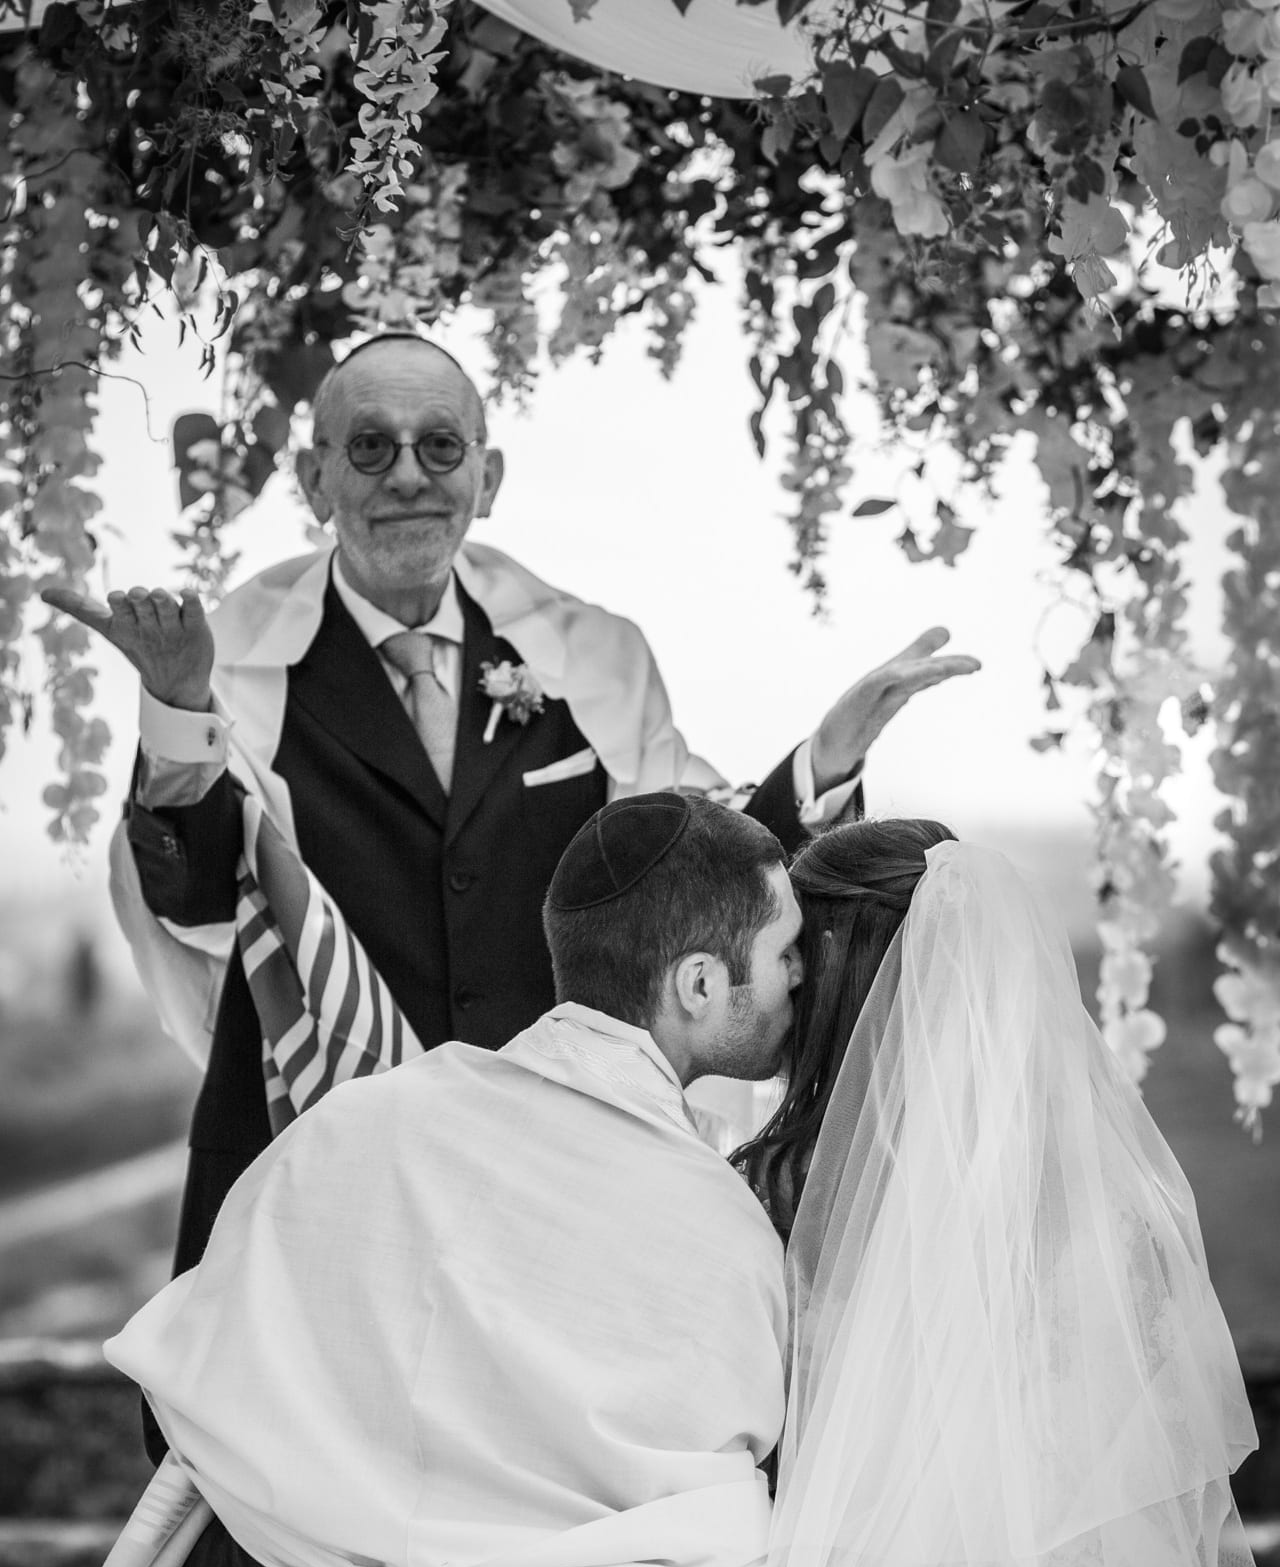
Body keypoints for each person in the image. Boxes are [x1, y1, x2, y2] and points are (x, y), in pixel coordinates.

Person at [43, 334, 979, 1322]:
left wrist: (823, 762)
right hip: (307, 1167)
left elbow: (693, 871)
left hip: (544, 1189)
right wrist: (178, 708)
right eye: (370, 447)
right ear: (314, 480)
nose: (408, 475)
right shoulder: (226, 661)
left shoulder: (583, 654)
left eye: (439, 446)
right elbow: (192, 900)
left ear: (485, 479)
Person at [56, 793, 798, 1567]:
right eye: (784, 953)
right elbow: (720, 1518)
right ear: (700, 982)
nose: (800, 977)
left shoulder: (352, 1122)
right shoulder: (719, 1225)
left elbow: (200, 1380)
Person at [636, 820, 1280, 1567]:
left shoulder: (776, 1194)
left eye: (798, 954)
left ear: (842, 976)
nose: (786, 979)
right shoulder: (1115, 1195)